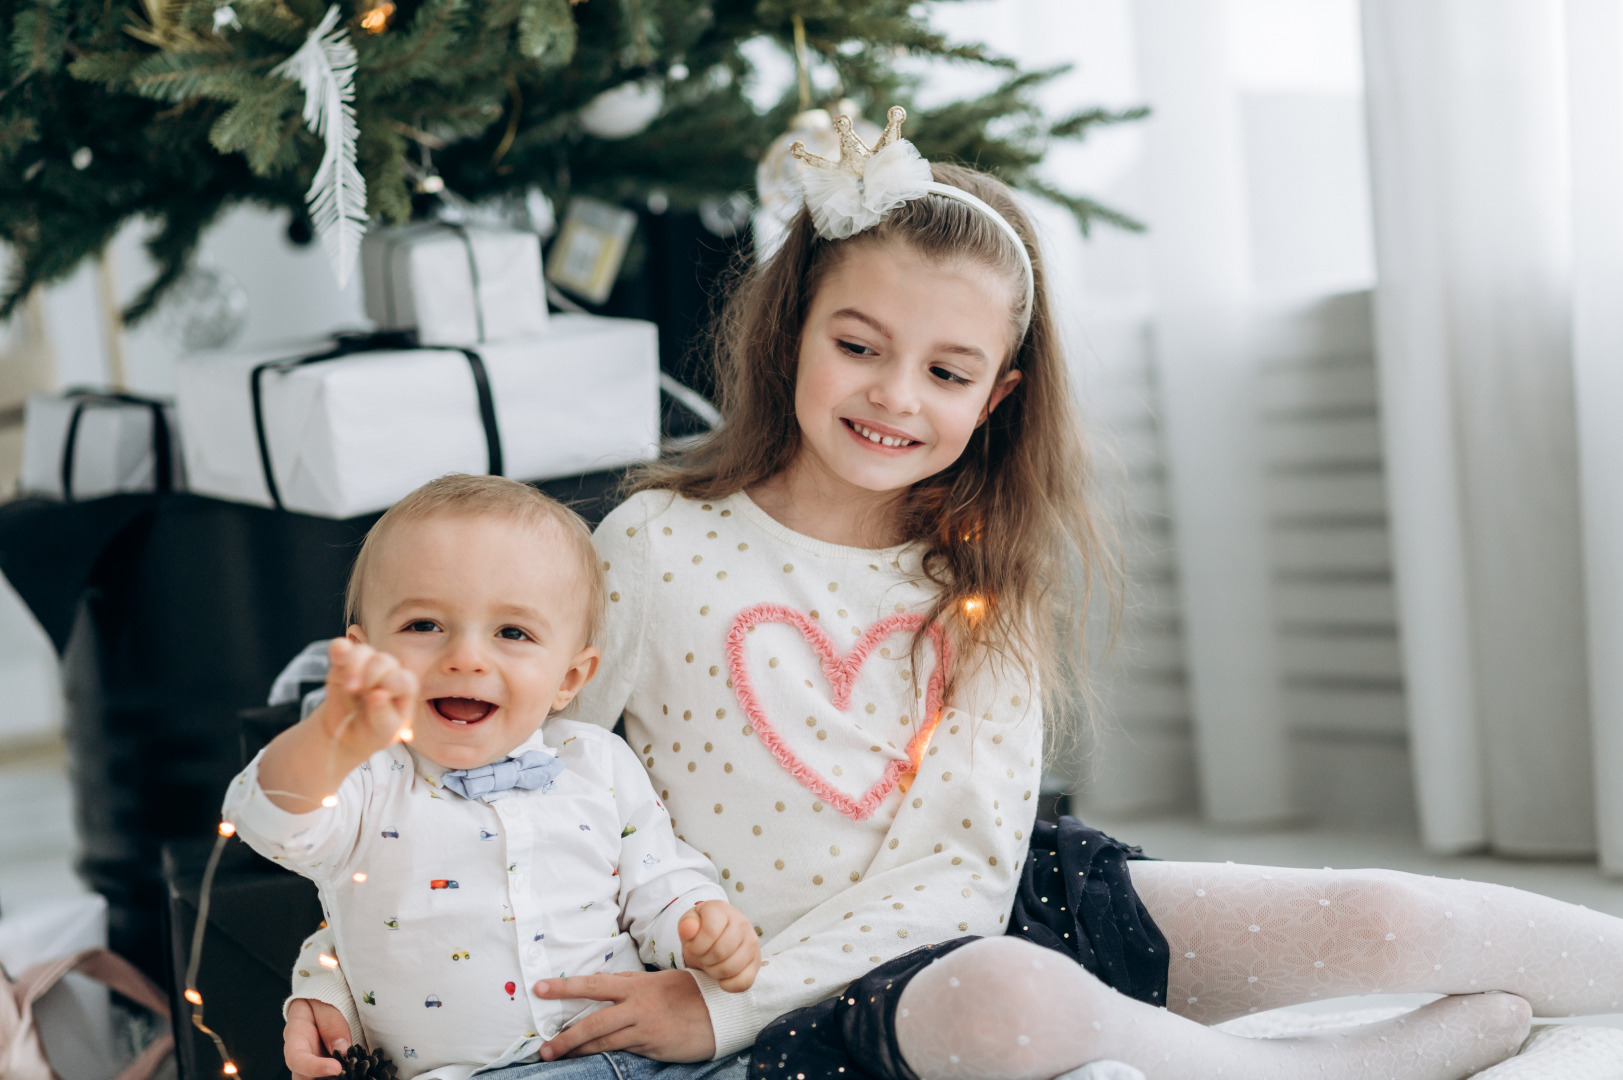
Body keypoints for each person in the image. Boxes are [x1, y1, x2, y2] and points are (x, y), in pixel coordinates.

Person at [283, 109, 1623, 1080]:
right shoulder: (653, 543)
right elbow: (481, 765)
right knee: (1012, 1011)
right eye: (857, 344)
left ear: (997, 396)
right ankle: (1316, 1073)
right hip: (792, 996)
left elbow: (969, 870)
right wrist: (331, 977)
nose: (890, 395)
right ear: (790, 326)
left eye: (942, 370)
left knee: (1373, 915)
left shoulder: (976, 577)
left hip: (988, 906)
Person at [225, 475, 760, 1080]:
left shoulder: (598, 761)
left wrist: (701, 925)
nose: (466, 657)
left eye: (513, 633)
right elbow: (268, 819)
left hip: (635, 1052)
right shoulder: (365, 779)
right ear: (364, 653)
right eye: (424, 625)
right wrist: (327, 737)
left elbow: (659, 883)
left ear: (570, 678)